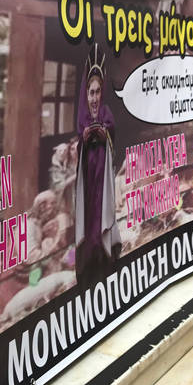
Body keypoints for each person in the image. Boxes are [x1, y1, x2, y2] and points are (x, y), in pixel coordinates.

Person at [75, 44, 121, 289]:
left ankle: (105, 268)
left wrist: (105, 137)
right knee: (88, 223)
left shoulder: (107, 114)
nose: (94, 98)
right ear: (86, 94)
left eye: (97, 92)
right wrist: (84, 140)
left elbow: (112, 140)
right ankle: (88, 274)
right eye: (90, 93)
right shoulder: (82, 118)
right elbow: (78, 149)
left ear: (102, 93)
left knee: (101, 221)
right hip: (88, 184)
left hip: (102, 181)